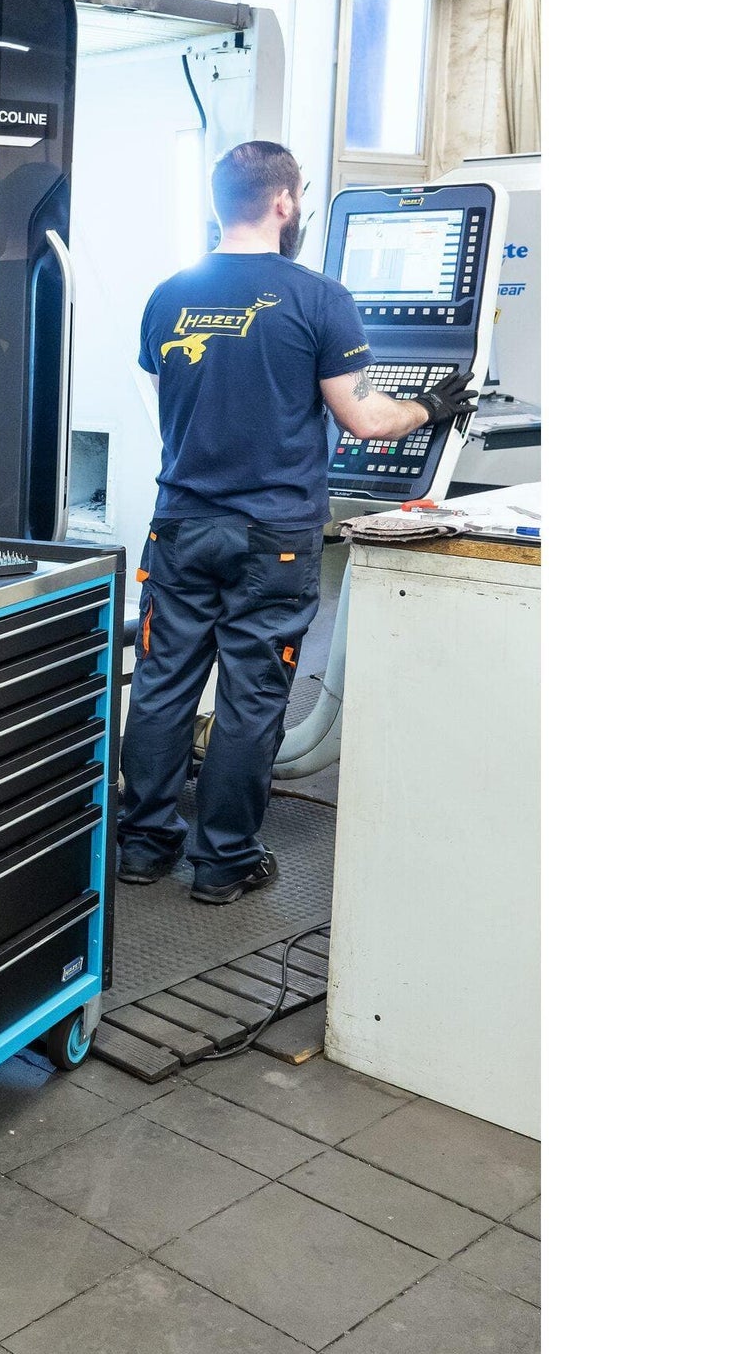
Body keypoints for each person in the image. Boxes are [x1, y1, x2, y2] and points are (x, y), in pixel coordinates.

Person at [118, 140, 476, 903]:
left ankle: (143, 847)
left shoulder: (168, 295)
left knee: (161, 684)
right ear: (285, 202)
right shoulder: (319, 298)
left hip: (180, 524)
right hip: (272, 537)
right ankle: (223, 864)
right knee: (251, 698)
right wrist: (428, 406)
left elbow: (159, 392)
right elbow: (363, 418)